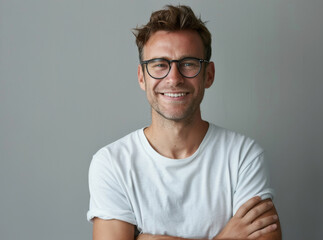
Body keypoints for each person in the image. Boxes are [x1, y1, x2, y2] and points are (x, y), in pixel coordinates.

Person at [87, 5, 281, 240]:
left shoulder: (243, 156)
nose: (174, 78)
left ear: (208, 75)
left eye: (188, 63)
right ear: (142, 77)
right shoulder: (111, 164)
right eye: (159, 64)